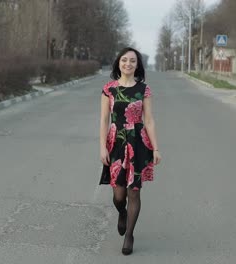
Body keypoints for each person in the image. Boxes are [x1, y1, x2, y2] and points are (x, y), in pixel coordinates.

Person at [99, 47, 161, 255]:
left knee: (134, 191)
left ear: (137, 65)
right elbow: (104, 120)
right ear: (118, 63)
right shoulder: (109, 89)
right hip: (116, 141)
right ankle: (122, 212)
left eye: (132, 61)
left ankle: (129, 236)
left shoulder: (144, 89)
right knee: (118, 194)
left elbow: (149, 120)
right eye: (124, 60)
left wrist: (156, 148)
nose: (128, 64)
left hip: (137, 142)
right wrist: (101, 147)